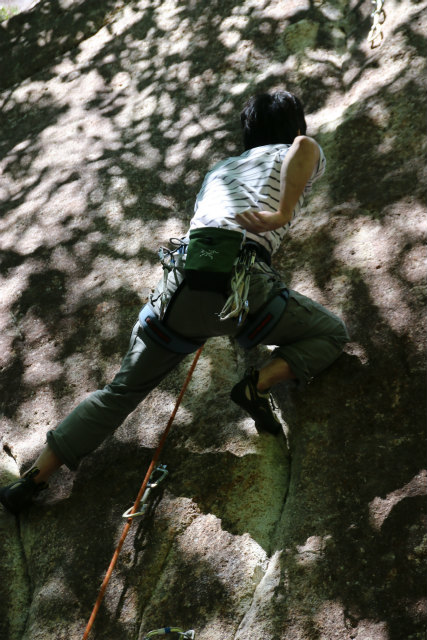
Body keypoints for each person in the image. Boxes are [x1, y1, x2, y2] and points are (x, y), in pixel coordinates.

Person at [0, 90, 349, 515]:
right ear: (295, 126)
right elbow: (304, 148)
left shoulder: (220, 171)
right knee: (331, 333)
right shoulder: (296, 148)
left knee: (120, 391)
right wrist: (281, 213)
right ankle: (256, 385)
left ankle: (34, 479)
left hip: (178, 290)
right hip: (243, 292)